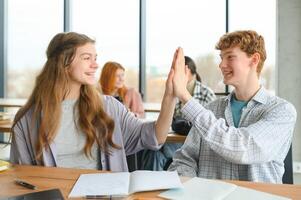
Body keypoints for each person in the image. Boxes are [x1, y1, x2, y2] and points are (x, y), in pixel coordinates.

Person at [10, 32, 177, 172]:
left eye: (95, 58)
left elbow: (155, 136)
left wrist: (170, 97)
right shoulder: (26, 120)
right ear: (64, 63)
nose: (96, 64)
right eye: (86, 58)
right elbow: (21, 179)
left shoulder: (109, 107)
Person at [168, 30, 297, 183]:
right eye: (221, 58)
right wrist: (195, 189)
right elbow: (184, 160)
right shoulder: (211, 110)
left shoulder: (282, 111)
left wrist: (185, 97)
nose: (221, 65)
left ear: (254, 59)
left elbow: (241, 148)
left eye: (230, 57)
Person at [141, 56, 216, 171]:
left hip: (194, 143)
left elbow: (213, 127)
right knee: (154, 152)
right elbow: (171, 119)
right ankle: (150, 186)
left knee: (154, 149)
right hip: (177, 140)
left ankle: (147, 185)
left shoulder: (206, 93)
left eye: (176, 71)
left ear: (187, 70)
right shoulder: (175, 92)